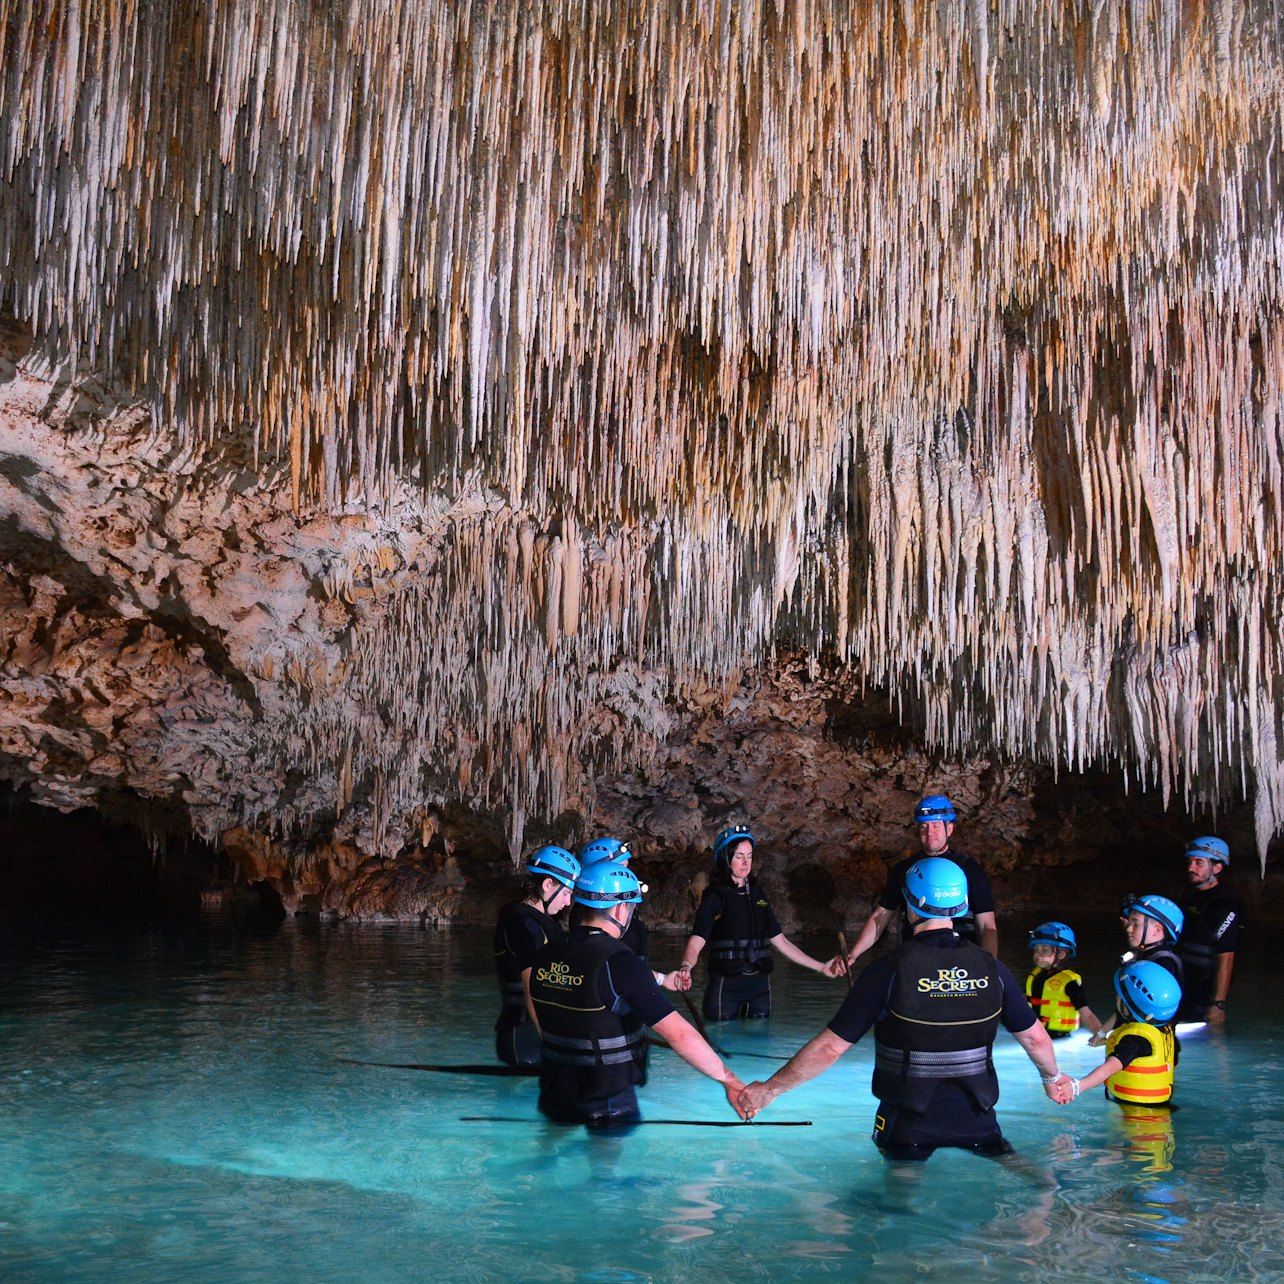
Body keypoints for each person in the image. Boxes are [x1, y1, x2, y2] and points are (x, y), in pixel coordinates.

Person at [738, 857, 1066, 1160]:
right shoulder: (992, 970)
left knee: (896, 1201)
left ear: (911, 904)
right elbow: (1035, 1038)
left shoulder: (889, 971)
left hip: (908, 1121)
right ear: (963, 905)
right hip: (977, 1116)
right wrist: (1052, 1078)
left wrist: (768, 1092)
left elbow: (829, 1049)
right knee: (1013, 1166)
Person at [528, 861, 747, 1127]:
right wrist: (730, 1081)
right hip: (607, 1097)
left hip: (555, 1089)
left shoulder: (545, 953)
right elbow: (680, 1035)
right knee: (606, 1167)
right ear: (621, 909)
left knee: (553, 1159)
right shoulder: (620, 961)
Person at [678, 824, 833, 1021]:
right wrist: (686, 967)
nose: (746, 863)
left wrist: (821, 967)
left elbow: (782, 942)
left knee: (758, 1040)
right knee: (721, 1042)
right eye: (739, 857)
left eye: (749, 856)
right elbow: (696, 941)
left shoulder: (758, 895)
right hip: (726, 986)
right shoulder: (715, 896)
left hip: (759, 986)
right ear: (726, 859)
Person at [830, 794, 997, 975]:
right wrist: (853, 954)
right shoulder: (905, 870)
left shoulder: (969, 870)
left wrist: (989, 968)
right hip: (916, 960)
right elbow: (881, 916)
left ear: (949, 829)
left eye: (935, 825)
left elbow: (987, 926)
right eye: (923, 826)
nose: (929, 832)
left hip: (962, 962)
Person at [492, 844, 581, 1066]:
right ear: (548, 884)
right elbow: (533, 988)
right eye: (567, 893)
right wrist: (552, 1042)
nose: (568, 902)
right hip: (526, 1037)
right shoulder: (525, 926)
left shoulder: (538, 924)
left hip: (530, 1031)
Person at [1053, 961, 1181, 1107]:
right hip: (1156, 1108)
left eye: (1119, 996)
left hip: (1136, 1116)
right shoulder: (1163, 1031)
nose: (1116, 998)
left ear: (1130, 1007)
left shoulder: (1135, 1040)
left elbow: (1109, 1068)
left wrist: (1076, 1086)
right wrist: (1104, 1038)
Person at [1090, 895, 1183, 1046]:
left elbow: (1143, 1009)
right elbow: (1128, 1004)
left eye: (1136, 923)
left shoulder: (1163, 963)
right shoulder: (1145, 957)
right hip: (1144, 1040)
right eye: (1129, 922)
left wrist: (1104, 1034)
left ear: (1157, 930)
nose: (1128, 928)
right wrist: (1101, 1032)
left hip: (1146, 1044)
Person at [1176, 836, 1244, 1025]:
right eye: (1190, 862)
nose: (1191, 868)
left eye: (1199, 863)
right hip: (1182, 981)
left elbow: (1226, 956)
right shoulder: (1189, 893)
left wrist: (1218, 1004)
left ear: (1217, 868)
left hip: (1204, 988)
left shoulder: (1225, 904)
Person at [1026, 922, 1101, 1037]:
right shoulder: (1036, 976)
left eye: (1045, 950)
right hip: (1037, 1034)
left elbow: (1086, 1014)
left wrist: (1100, 1036)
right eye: (1036, 949)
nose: (1038, 954)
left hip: (1060, 1038)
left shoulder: (1070, 983)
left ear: (1061, 954)